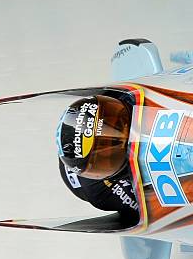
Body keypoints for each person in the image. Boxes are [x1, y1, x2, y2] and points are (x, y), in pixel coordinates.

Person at [56, 95, 139, 223]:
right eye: (108, 148)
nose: (122, 138)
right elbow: (147, 207)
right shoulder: (102, 192)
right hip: (95, 188)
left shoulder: (109, 102)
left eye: (116, 125)